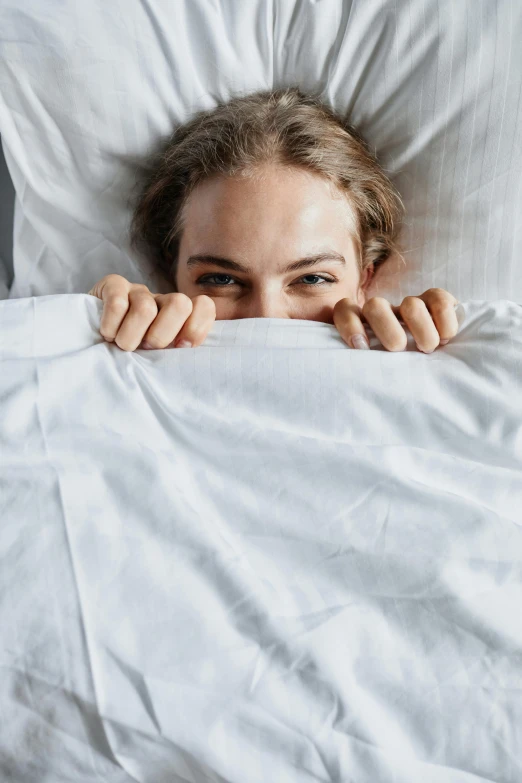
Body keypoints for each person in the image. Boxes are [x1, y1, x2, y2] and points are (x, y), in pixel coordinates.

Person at [88, 87, 459, 352]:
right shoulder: (131, 358)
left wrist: (420, 347)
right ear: (172, 275)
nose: (268, 319)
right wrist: (91, 325)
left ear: (365, 277)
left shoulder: (409, 359)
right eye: (221, 279)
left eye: (312, 278)